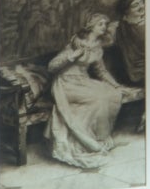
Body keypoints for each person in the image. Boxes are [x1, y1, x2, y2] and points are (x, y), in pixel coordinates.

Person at [42, 10, 142, 172]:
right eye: (100, 24)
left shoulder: (97, 48)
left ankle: (97, 138)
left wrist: (116, 86)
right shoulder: (76, 43)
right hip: (66, 83)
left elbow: (101, 72)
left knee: (111, 94)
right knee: (97, 99)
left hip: (83, 82)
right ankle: (83, 141)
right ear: (91, 26)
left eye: (105, 24)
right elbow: (52, 66)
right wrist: (72, 56)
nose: (104, 27)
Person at [104, 0, 147, 132]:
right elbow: (102, 43)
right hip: (136, 71)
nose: (141, 6)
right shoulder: (117, 28)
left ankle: (147, 117)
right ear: (126, 13)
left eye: (142, 2)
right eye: (135, 5)